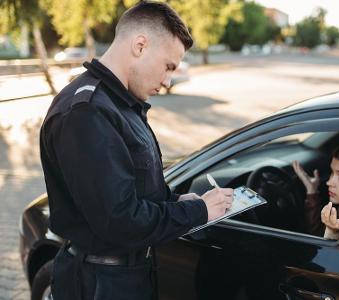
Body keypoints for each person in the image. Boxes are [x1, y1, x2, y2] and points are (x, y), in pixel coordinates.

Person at [39, 2, 233, 299]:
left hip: (124, 276)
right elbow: (121, 221)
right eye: (168, 66)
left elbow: (136, 190)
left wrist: (179, 200)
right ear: (140, 46)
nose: (168, 81)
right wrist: (198, 211)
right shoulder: (87, 113)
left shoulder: (121, 104)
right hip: (99, 284)